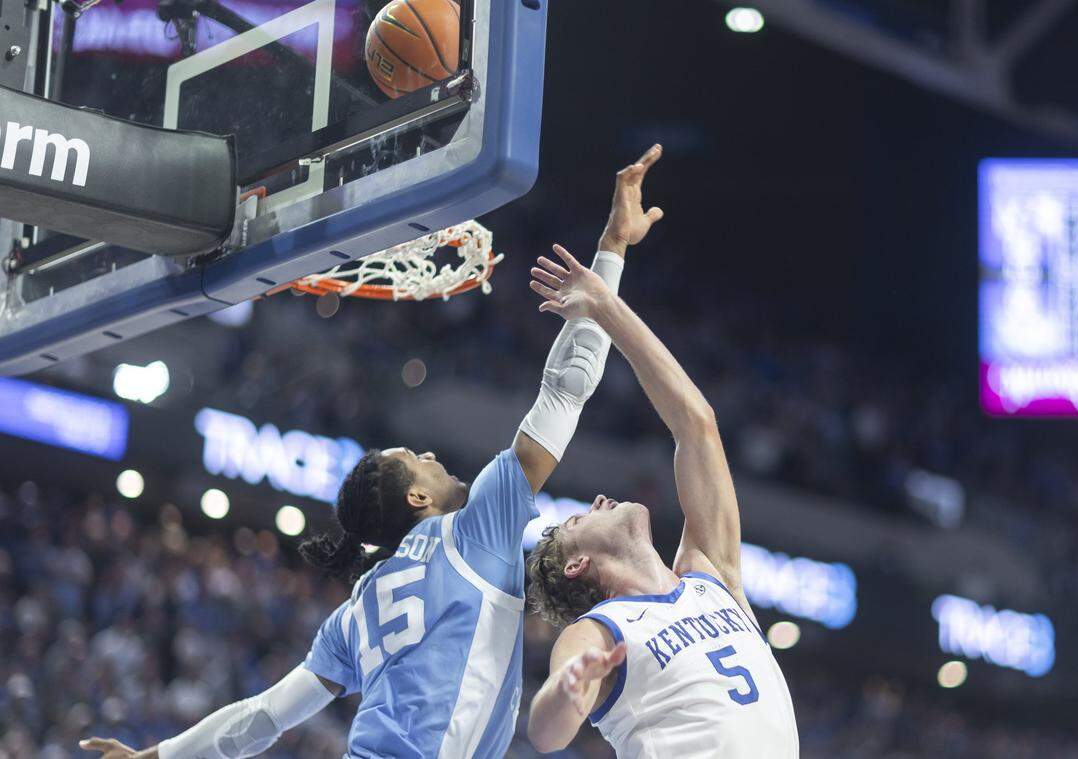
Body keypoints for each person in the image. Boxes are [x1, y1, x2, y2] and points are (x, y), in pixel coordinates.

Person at [78, 145, 666, 759]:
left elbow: (263, 717)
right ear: (417, 497)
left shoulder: (356, 613)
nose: (433, 457)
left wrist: (158, 756)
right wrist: (612, 248)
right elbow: (567, 384)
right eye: (419, 459)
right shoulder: (473, 531)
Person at [524, 242, 799, 758]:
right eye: (580, 517)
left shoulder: (713, 576)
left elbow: (697, 426)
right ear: (578, 563)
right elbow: (545, 732)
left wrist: (606, 307)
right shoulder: (599, 631)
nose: (599, 498)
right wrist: (570, 687)